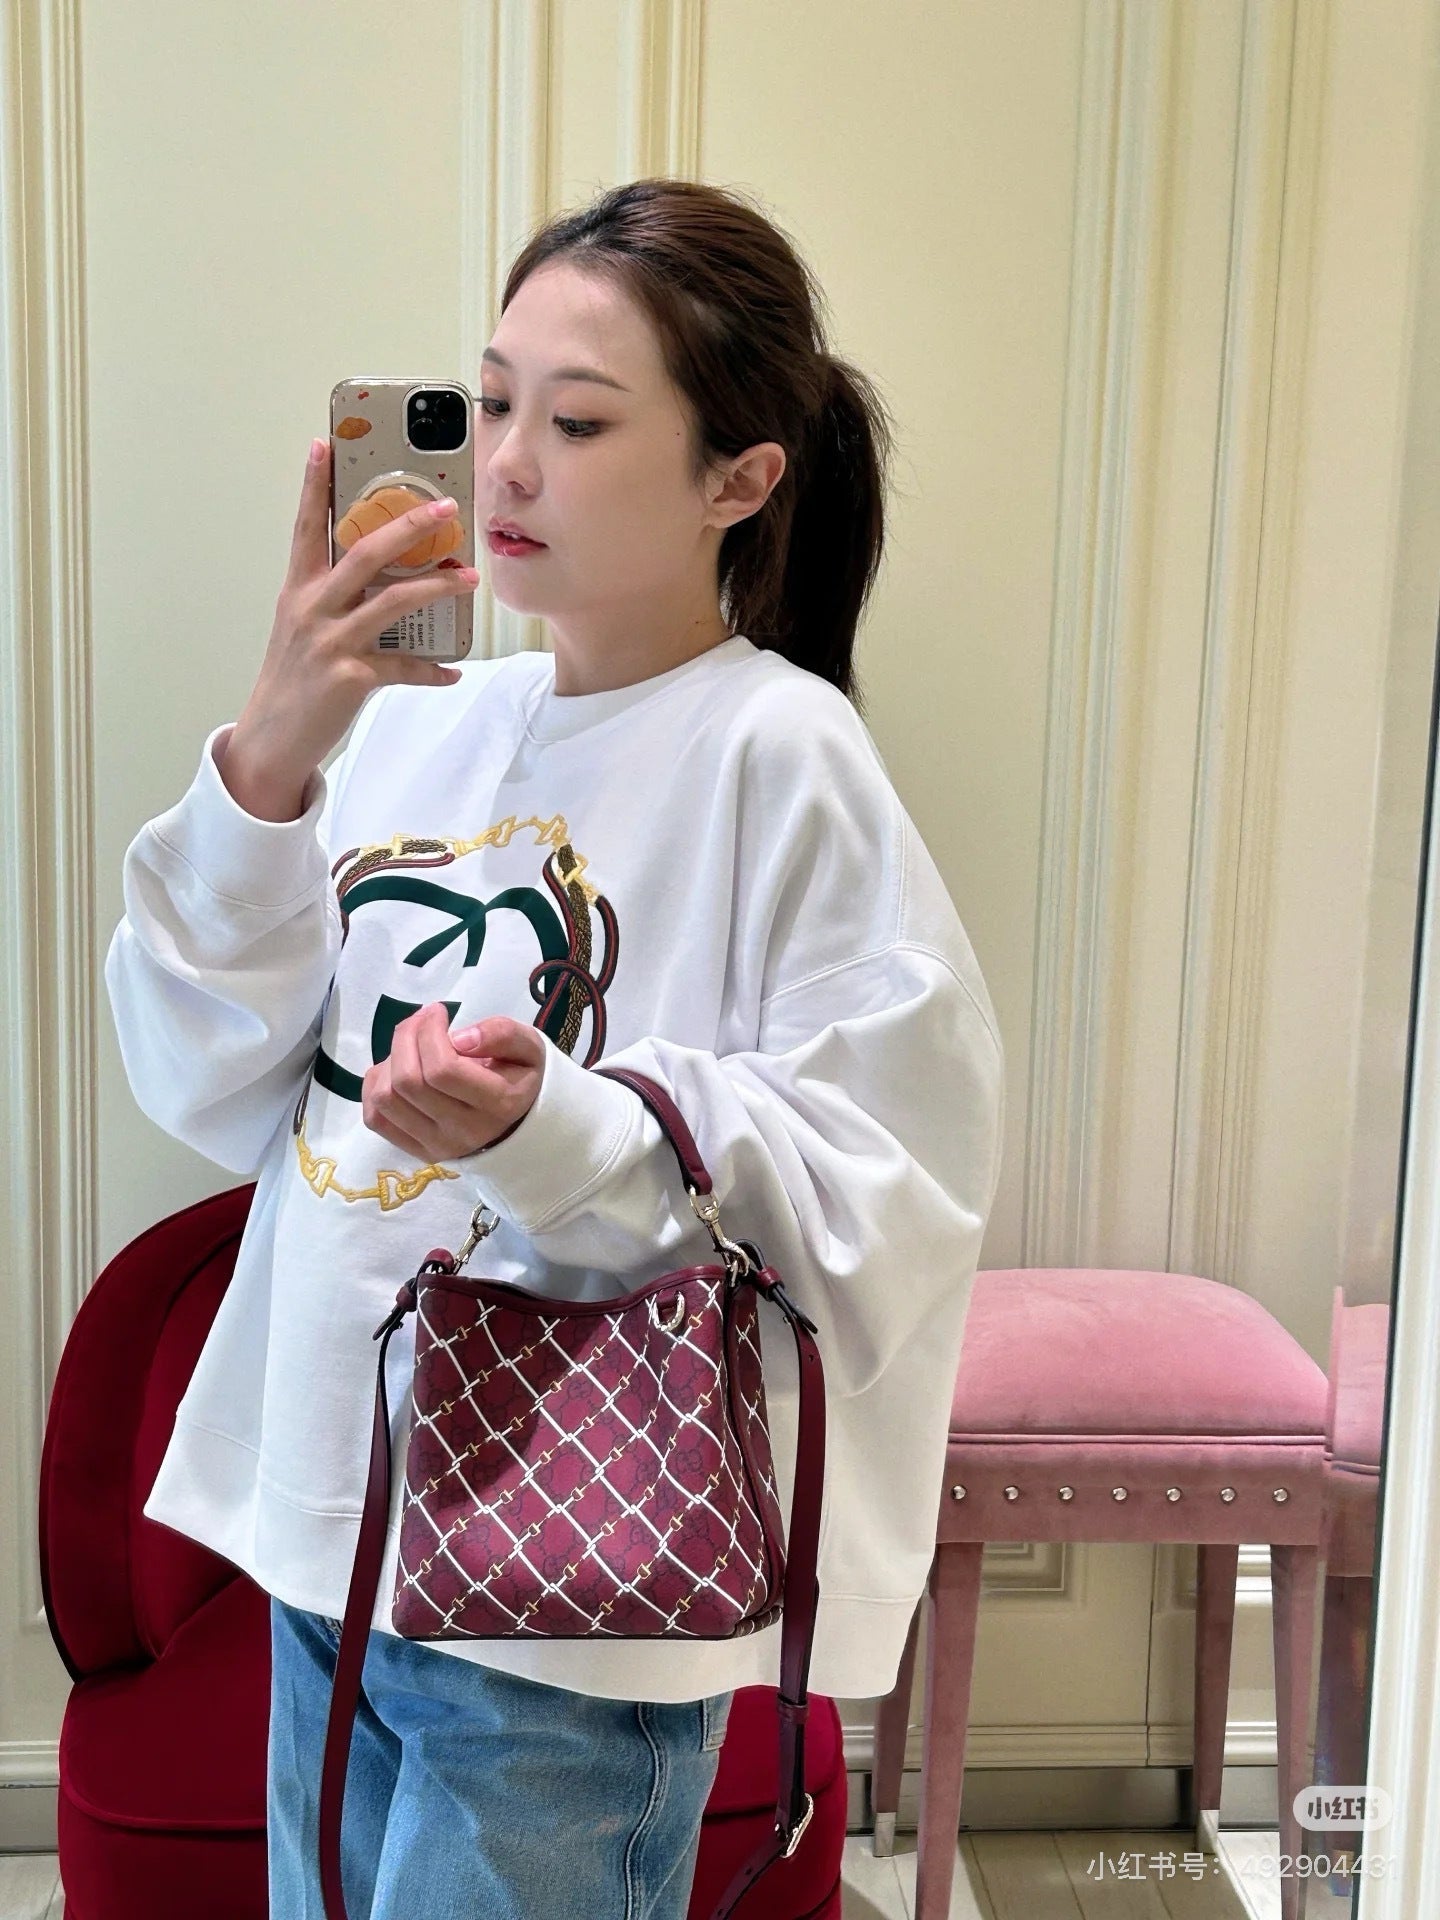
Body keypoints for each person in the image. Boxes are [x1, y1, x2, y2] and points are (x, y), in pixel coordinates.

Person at [104, 176, 1006, 1919]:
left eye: (578, 423)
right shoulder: (415, 724)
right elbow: (211, 1083)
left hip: (567, 1601)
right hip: (330, 1523)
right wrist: (275, 753)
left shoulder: (780, 751)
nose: (505, 465)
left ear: (740, 480)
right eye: (490, 401)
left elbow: (889, 1173)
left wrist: (551, 1129)